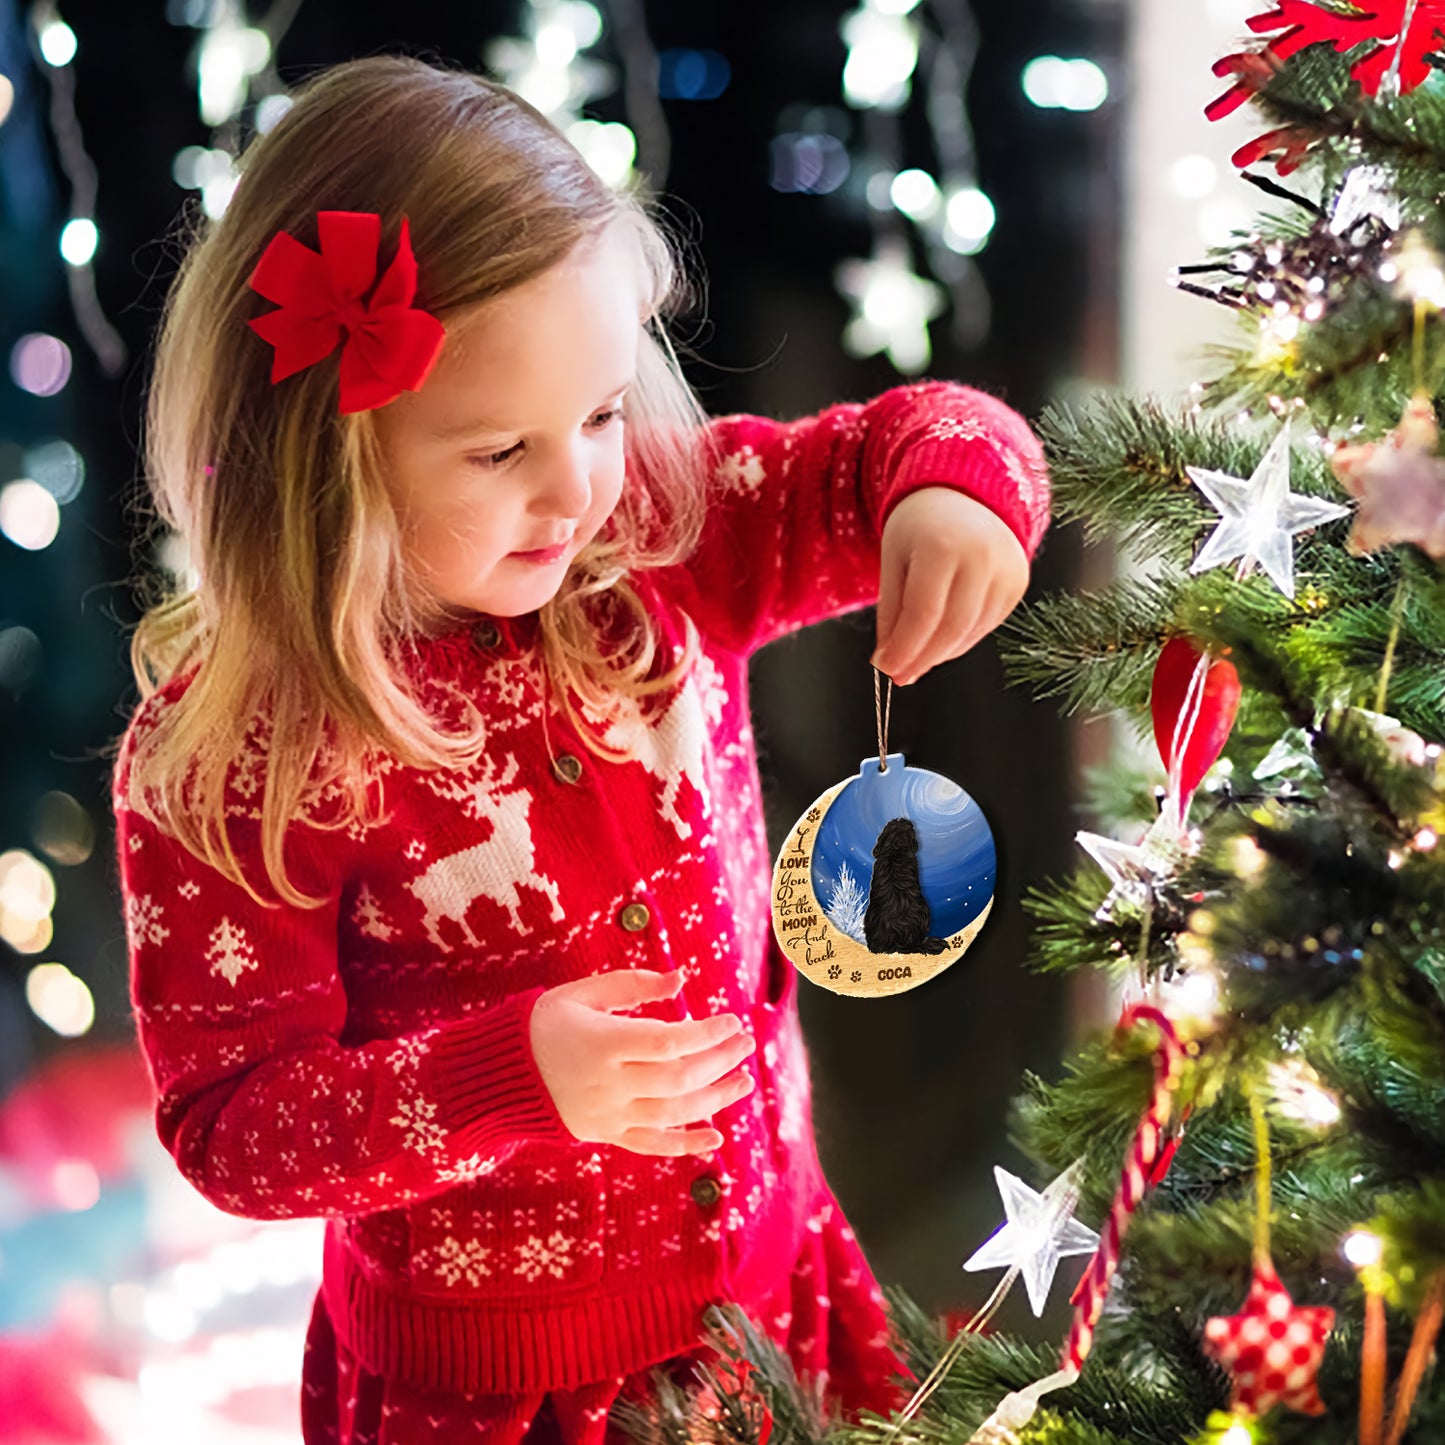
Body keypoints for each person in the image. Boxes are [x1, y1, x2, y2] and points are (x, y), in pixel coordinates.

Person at [110, 54, 1051, 1445]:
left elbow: (902, 444)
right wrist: (509, 1076)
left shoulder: (660, 541)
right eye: (499, 452)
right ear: (321, 455)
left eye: (604, 412)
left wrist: (956, 496)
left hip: (767, 1286)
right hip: (501, 1389)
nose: (577, 487)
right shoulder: (235, 754)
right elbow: (233, 1127)